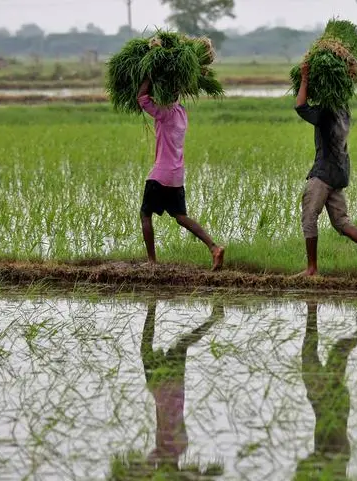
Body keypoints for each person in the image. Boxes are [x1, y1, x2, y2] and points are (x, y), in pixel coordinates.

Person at [294, 62, 357, 278]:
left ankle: (311, 269)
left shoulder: (326, 112)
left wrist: (305, 78)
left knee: (309, 217)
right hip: (339, 171)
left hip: (323, 172)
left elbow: (301, 106)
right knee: (340, 221)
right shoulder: (343, 108)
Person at [137, 79, 224, 270]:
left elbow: (142, 98)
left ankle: (152, 261)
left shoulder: (165, 113)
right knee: (180, 216)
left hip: (161, 174)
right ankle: (214, 247)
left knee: (145, 214)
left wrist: (148, 78)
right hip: (176, 175)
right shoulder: (181, 112)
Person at [295, 301, 357, 480]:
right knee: (339, 350)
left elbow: (305, 466)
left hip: (320, 404)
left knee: (310, 352)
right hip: (332, 405)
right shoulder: (338, 464)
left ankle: (312, 307)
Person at [139, 300, 224, 471]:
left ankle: (152, 306)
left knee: (169, 346)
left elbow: (148, 464)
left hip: (165, 388)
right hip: (167, 387)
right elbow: (149, 463)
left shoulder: (176, 449)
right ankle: (215, 317)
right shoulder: (172, 450)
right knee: (175, 346)